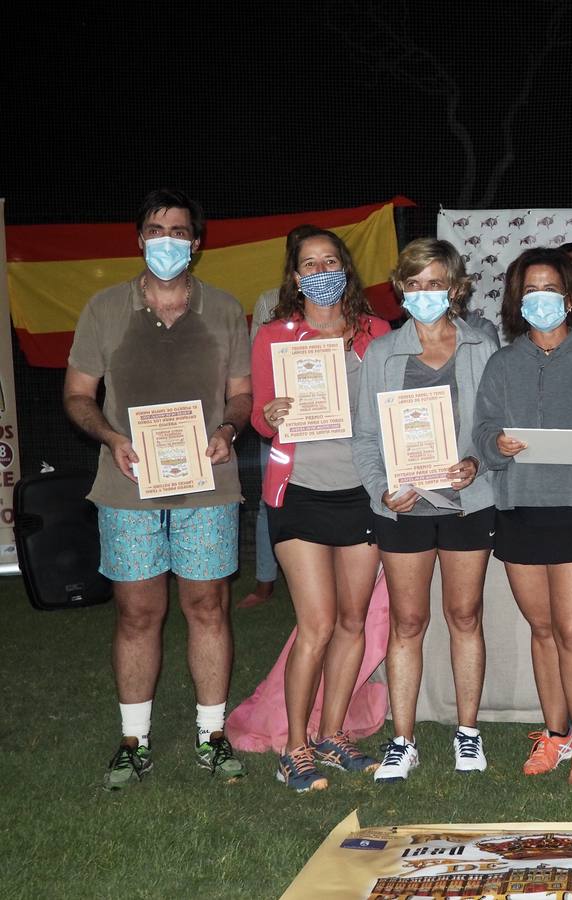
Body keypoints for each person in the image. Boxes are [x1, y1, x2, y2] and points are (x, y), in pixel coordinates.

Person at [63, 189, 251, 789]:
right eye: (155, 229)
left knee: (207, 607)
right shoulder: (104, 308)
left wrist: (228, 427)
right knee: (138, 612)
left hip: (208, 481)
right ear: (138, 238)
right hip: (127, 484)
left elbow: (242, 393)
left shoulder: (224, 308)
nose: (166, 240)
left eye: (178, 231)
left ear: (197, 243)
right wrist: (112, 437)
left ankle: (212, 734)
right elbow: (76, 395)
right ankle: (133, 740)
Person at [473, 247, 572, 784]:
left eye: (551, 289)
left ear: (571, 296)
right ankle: (556, 734)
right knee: (542, 629)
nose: (541, 300)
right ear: (518, 301)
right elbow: (482, 435)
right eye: (530, 291)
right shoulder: (502, 363)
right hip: (520, 508)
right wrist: (495, 442)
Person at [351, 238, 499, 782]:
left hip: (468, 504)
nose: (425, 293)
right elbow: (366, 438)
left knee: (465, 616)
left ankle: (467, 732)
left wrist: (476, 463)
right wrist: (380, 490)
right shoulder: (382, 353)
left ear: (456, 287)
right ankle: (403, 738)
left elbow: (494, 426)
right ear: (400, 290)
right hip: (404, 508)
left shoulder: (484, 343)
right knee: (408, 622)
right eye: (414, 284)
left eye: (436, 282)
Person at [252, 228, 391, 791]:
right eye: (309, 264)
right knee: (315, 623)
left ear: (345, 268)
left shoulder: (376, 333)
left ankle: (333, 736)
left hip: (361, 492)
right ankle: (294, 747)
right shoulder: (274, 335)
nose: (320, 271)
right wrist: (273, 412)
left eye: (329, 261)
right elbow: (262, 420)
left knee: (352, 622)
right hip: (299, 491)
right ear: (295, 276)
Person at [240, 224, 324, 610]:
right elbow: (260, 363)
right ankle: (265, 582)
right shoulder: (268, 301)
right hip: (281, 422)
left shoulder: (349, 308)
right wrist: (268, 412)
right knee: (271, 498)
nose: (317, 269)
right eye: (302, 257)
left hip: (330, 424)